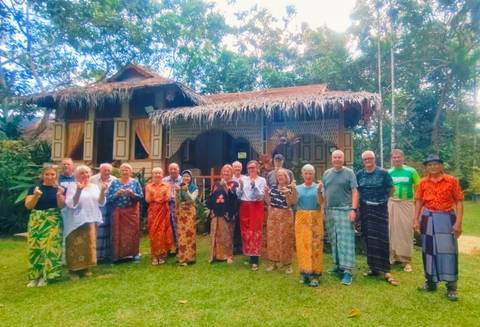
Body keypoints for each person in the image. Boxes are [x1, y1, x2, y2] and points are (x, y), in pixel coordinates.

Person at [415, 154, 464, 301]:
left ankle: (451, 287)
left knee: (448, 251)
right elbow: (418, 202)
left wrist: (458, 223)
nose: (433, 167)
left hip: (446, 218)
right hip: (428, 218)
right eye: (430, 165)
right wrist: (416, 220)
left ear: (441, 165)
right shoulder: (423, 182)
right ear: (426, 167)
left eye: (436, 164)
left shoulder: (452, 181)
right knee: (428, 252)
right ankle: (430, 282)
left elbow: (460, 201)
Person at [357, 150, 397, 286]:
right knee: (369, 238)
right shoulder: (359, 174)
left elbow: (392, 189)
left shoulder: (383, 173)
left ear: (374, 159)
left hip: (380, 209)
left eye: (370, 159)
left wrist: (384, 199)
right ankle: (373, 268)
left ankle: (386, 270)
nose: (368, 161)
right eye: (365, 159)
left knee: (381, 238)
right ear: (363, 161)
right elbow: (357, 191)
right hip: (365, 209)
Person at [24, 166, 65, 287]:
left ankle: (48, 276)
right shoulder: (34, 188)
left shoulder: (60, 189)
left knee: (50, 248)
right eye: (47, 174)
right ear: (42, 176)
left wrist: (59, 195)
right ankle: (35, 276)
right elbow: (28, 206)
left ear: (55, 176)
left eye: (52, 174)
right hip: (36, 220)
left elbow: (62, 206)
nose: (50, 177)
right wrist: (36, 195)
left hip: (53, 220)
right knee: (35, 247)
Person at [323, 150, 359, 285]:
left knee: (346, 241)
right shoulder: (327, 173)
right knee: (334, 240)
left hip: (345, 210)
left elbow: (355, 191)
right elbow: (324, 193)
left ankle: (348, 271)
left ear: (343, 159)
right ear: (331, 159)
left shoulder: (349, 173)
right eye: (335, 157)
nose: (337, 159)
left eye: (339, 157)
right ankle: (338, 266)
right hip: (330, 211)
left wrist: (353, 210)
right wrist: (324, 210)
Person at [65, 165, 106, 279]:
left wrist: (102, 191)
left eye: (87, 172)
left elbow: (101, 202)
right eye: (82, 173)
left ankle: (86, 268)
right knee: (75, 244)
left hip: (91, 219)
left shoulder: (94, 186)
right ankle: (73, 270)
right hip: (76, 220)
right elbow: (71, 204)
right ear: (77, 175)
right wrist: (79, 190)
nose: (85, 175)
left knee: (89, 245)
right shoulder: (72, 186)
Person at [388, 149, 420, 272]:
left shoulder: (411, 171)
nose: (396, 159)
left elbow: (419, 189)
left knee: (406, 232)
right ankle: (394, 257)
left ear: (403, 158)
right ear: (391, 159)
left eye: (398, 157)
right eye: (394, 157)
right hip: (392, 204)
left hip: (407, 204)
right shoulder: (389, 172)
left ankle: (407, 260)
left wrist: (418, 205)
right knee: (392, 231)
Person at [106, 163, 143, 262]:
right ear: (119, 172)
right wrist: (117, 194)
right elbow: (108, 198)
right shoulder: (114, 183)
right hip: (118, 211)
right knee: (117, 233)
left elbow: (141, 196)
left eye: (127, 170)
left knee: (133, 233)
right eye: (123, 170)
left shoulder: (135, 182)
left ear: (131, 172)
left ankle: (134, 254)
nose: (125, 172)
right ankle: (117, 256)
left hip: (132, 212)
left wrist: (132, 194)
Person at [295, 164, 324, 287]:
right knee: (302, 245)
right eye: (306, 173)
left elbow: (321, 202)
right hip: (301, 219)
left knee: (315, 245)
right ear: (302, 175)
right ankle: (304, 272)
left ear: (314, 175)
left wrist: (319, 191)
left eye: (310, 173)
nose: (308, 175)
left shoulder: (319, 187)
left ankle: (315, 274)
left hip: (315, 218)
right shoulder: (297, 188)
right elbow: (292, 202)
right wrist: (289, 192)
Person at [264, 168, 297, 274]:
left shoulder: (290, 188)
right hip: (273, 215)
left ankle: (288, 265)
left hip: (285, 215)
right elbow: (269, 202)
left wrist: (287, 193)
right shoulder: (273, 187)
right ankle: (274, 262)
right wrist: (266, 194)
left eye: (282, 175)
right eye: (278, 176)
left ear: (286, 177)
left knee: (286, 239)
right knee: (272, 239)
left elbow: (291, 203)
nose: (280, 177)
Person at [236, 160, 267, 271]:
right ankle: (249, 254)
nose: (251, 170)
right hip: (245, 205)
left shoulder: (262, 180)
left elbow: (261, 195)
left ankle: (255, 259)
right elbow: (239, 195)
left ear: (258, 168)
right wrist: (240, 187)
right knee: (246, 231)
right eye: (249, 168)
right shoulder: (243, 179)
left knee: (255, 231)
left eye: (253, 168)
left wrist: (254, 186)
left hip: (256, 206)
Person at [208, 164, 239, 264]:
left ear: (232, 173)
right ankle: (215, 255)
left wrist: (227, 188)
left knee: (227, 236)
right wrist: (211, 209)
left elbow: (234, 199)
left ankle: (228, 256)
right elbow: (211, 198)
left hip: (227, 214)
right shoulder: (216, 184)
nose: (226, 173)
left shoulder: (234, 184)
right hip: (216, 214)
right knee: (215, 234)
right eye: (224, 171)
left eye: (228, 171)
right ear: (221, 173)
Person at [145, 167, 173, 265]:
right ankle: (154, 256)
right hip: (153, 211)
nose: (157, 175)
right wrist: (159, 197)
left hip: (164, 210)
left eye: (159, 173)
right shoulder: (148, 186)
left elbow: (169, 197)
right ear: (152, 175)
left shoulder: (167, 185)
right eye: (155, 173)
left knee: (163, 232)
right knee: (154, 233)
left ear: (162, 174)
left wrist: (156, 197)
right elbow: (147, 199)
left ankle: (162, 255)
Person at [90, 163, 117, 262]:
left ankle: (108, 254)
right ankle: (97, 254)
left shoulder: (114, 180)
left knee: (109, 228)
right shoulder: (92, 179)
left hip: (110, 205)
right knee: (99, 229)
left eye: (108, 170)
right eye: (104, 170)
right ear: (100, 170)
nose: (106, 172)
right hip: (97, 206)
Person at [175, 170, 198, 266]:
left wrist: (185, 190)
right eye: (184, 176)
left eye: (188, 176)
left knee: (189, 234)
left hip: (189, 213)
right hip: (181, 213)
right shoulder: (179, 186)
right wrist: (177, 192)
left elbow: (191, 200)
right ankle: (182, 256)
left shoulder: (194, 187)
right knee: (181, 234)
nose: (186, 178)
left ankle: (189, 257)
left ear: (191, 178)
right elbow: (177, 201)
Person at [163, 163, 182, 246]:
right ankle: (171, 246)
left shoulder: (183, 179)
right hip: (166, 205)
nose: (173, 171)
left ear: (179, 169)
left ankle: (180, 245)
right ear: (168, 170)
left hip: (180, 205)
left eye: (175, 169)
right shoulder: (164, 180)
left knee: (179, 225)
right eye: (171, 169)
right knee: (168, 226)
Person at [231, 160, 244, 254]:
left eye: (239, 167)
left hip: (242, 202)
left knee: (240, 223)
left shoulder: (245, 178)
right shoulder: (230, 179)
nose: (237, 169)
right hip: (232, 203)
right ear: (232, 168)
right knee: (232, 223)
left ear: (241, 169)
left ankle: (240, 245)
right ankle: (233, 245)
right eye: (235, 167)